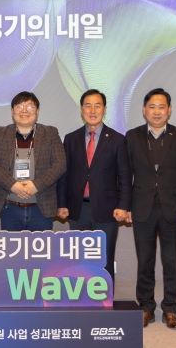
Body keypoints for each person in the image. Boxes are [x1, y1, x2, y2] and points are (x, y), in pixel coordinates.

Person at [125, 88, 176, 329]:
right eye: (152, 107)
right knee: (145, 261)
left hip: (173, 209)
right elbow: (125, 175)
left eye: (161, 107)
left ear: (169, 110)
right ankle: (146, 307)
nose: (157, 111)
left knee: (171, 262)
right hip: (142, 208)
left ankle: (170, 308)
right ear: (144, 110)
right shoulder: (133, 136)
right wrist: (125, 206)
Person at [57, 89, 131, 281]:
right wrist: (62, 203)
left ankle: (104, 297)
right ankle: (81, 296)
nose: (92, 110)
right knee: (79, 258)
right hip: (78, 208)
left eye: (97, 106)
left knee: (104, 258)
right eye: (88, 106)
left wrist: (123, 206)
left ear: (104, 109)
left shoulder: (117, 140)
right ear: (81, 110)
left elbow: (124, 176)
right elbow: (64, 174)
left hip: (107, 209)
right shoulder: (71, 139)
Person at [0, 91, 66, 231]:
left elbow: (60, 164)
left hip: (41, 208)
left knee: (41, 246)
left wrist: (36, 185)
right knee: (12, 245)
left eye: (29, 106)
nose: (24, 110)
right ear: (12, 111)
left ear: (37, 111)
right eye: (19, 106)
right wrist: (12, 185)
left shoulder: (50, 133)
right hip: (9, 207)